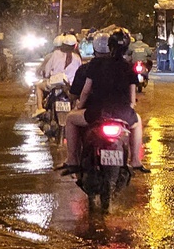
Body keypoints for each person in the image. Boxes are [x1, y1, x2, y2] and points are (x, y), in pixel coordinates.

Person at [60, 29, 147, 173]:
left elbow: (86, 91)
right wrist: (128, 109)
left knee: (70, 118)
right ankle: (136, 161)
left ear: (110, 46)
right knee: (137, 122)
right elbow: (132, 99)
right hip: (123, 114)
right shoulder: (129, 67)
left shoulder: (95, 64)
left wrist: (79, 107)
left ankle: (72, 160)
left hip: (98, 113)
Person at [33, 34, 81, 117]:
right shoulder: (77, 58)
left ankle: (40, 108)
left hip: (55, 84)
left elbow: (47, 72)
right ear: (75, 46)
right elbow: (80, 74)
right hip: (70, 86)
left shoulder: (55, 54)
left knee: (38, 86)